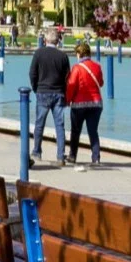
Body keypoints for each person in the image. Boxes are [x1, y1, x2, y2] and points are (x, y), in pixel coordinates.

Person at [29, 29, 71, 166]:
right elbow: (67, 77)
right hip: (59, 92)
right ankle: (60, 156)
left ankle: (36, 151)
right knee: (60, 125)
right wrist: (64, 92)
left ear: (45, 40)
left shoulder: (38, 53)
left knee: (39, 123)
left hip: (42, 91)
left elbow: (32, 73)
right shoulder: (63, 56)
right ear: (58, 41)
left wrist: (36, 88)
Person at [66, 39, 105, 167]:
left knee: (75, 131)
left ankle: (72, 156)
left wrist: (67, 100)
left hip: (79, 105)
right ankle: (96, 157)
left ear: (79, 54)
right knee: (93, 131)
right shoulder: (97, 66)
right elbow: (101, 83)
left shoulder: (77, 68)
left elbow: (71, 86)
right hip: (96, 104)